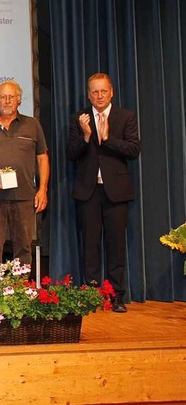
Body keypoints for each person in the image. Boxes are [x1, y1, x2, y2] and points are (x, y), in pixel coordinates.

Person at [67, 73, 140, 313]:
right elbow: (71, 153)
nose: (99, 96)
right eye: (94, 92)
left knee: (116, 244)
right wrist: (87, 136)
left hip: (116, 192)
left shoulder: (126, 117)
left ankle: (116, 295)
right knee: (90, 244)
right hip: (88, 191)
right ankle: (91, 293)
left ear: (111, 92)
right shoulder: (80, 118)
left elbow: (133, 149)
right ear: (89, 94)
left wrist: (107, 139)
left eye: (103, 91)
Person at [0, 80, 49, 268]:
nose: (6, 101)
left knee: (23, 248)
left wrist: (42, 189)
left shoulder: (32, 125)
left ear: (19, 100)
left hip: (24, 198)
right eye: (2, 97)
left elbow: (42, 158)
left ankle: (20, 292)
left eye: (11, 97)